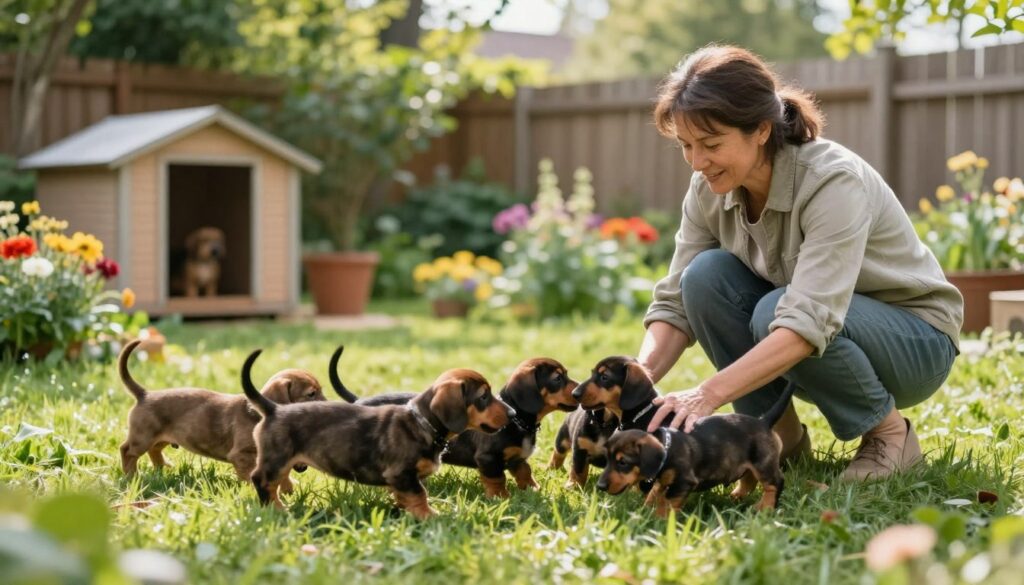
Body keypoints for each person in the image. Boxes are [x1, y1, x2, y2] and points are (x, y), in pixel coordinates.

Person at [638, 45, 963, 481]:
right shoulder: (707, 189)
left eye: (711, 144)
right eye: (686, 146)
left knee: (778, 308)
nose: (698, 162)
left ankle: (890, 436)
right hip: (815, 327)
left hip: (913, 341)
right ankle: (776, 439)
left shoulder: (831, 180)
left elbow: (808, 317)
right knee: (704, 278)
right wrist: (635, 380)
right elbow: (677, 300)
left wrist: (705, 395)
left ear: (760, 129)